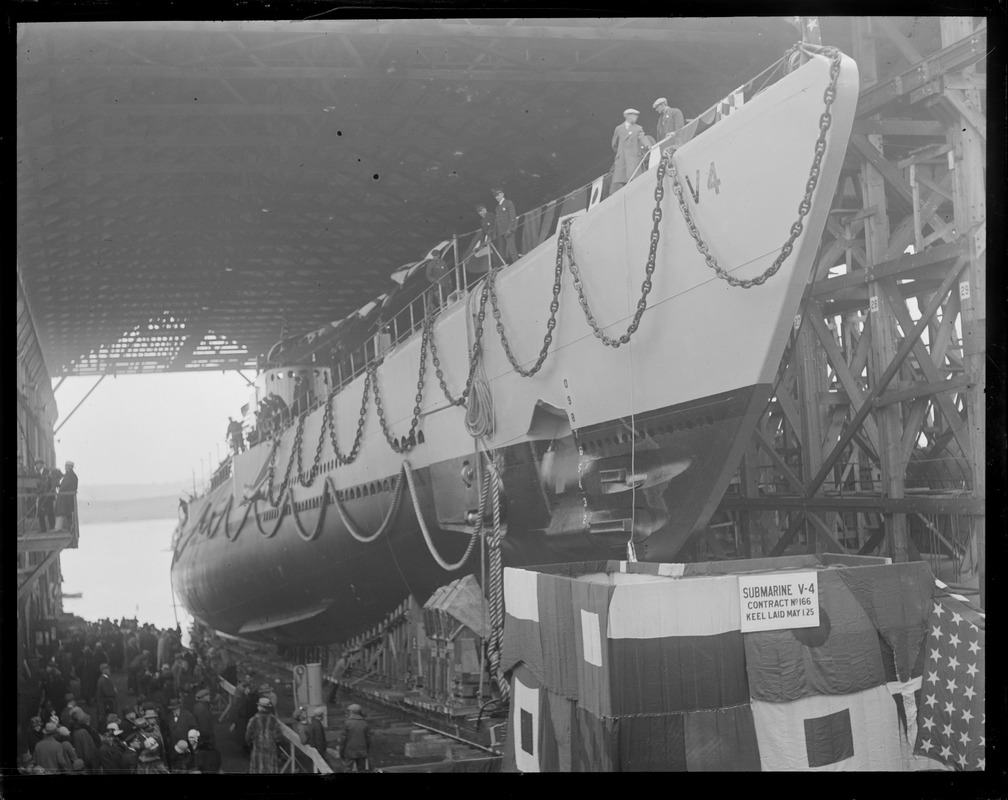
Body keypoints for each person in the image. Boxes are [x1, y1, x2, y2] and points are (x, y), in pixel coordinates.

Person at [610, 108, 649, 194]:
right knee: (623, 179)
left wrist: (648, 145)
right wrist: (620, 153)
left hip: (633, 158)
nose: (636, 118)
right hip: (622, 159)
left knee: (634, 178)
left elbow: (642, 137)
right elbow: (614, 144)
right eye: (634, 116)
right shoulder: (619, 129)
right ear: (628, 116)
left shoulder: (638, 128)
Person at [245, 696, 282, 773]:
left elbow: (248, 737)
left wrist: (251, 743)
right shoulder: (274, 720)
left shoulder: (253, 720)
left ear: (260, 707)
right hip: (271, 753)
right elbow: (279, 736)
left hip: (258, 753)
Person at [340, 703, 371, 773]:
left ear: (351, 712)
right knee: (362, 770)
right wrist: (366, 751)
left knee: (347, 770)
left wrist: (341, 752)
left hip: (349, 752)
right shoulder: (365, 723)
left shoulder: (347, 723)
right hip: (362, 752)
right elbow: (368, 740)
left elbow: (343, 740)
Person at [492, 188, 519, 265]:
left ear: (502, 194)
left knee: (512, 249)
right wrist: (495, 233)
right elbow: (497, 222)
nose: (496, 197)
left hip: (508, 230)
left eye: (498, 195)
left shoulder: (508, 203)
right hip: (501, 232)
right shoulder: (497, 207)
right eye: (495, 196)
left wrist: (509, 229)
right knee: (502, 251)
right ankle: (505, 265)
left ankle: (516, 263)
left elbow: (512, 217)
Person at [53, 460, 78, 531]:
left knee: (67, 512)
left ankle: (67, 528)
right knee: (67, 512)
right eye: (65, 466)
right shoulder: (69, 475)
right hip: (66, 498)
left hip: (67, 498)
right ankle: (67, 527)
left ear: (70, 467)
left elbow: (66, 486)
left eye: (67, 466)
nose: (65, 467)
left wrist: (60, 487)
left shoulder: (70, 476)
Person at [95, 662, 117, 730]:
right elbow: (107, 693)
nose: (109, 670)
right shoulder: (103, 680)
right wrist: (114, 690)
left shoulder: (102, 679)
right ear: (103, 670)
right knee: (106, 721)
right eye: (107, 669)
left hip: (104, 705)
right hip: (106, 705)